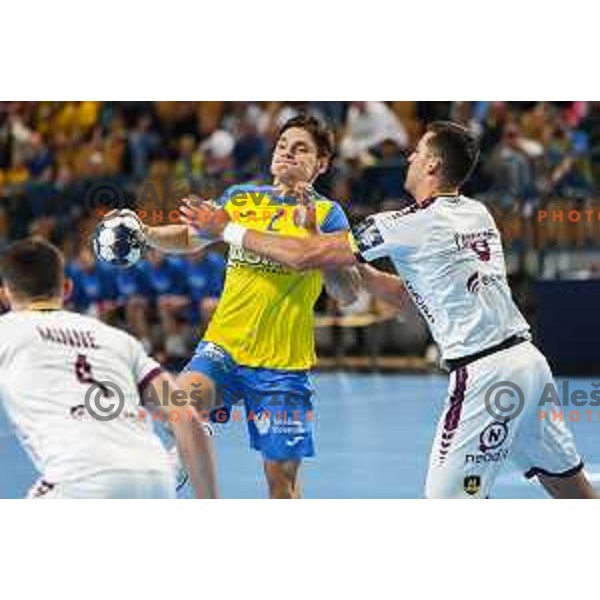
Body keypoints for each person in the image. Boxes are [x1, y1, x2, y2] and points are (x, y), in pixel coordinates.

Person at [184, 121, 597, 499]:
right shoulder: (478, 213)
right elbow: (408, 296)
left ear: (433, 164)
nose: (410, 157)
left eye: (417, 152)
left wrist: (226, 229)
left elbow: (300, 256)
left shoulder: (405, 223)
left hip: (486, 376)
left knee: (446, 502)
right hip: (529, 364)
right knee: (569, 485)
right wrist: (346, 262)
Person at [136, 114, 360, 499]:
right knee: (178, 406)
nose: (287, 151)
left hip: (282, 366)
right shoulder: (241, 198)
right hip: (224, 347)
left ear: (321, 164)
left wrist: (315, 242)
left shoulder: (328, 215)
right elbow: (191, 238)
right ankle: (192, 440)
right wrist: (144, 235)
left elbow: (349, 292)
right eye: (282, 144)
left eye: (300, 147)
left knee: (282, 486)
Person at [0, 238, 217, 499]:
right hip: (156, 481)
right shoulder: (119, 340)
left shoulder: (7, 331)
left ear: (4, 294)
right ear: (67, 288)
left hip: (81, 481)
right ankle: (171, 464)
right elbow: (187, 418)